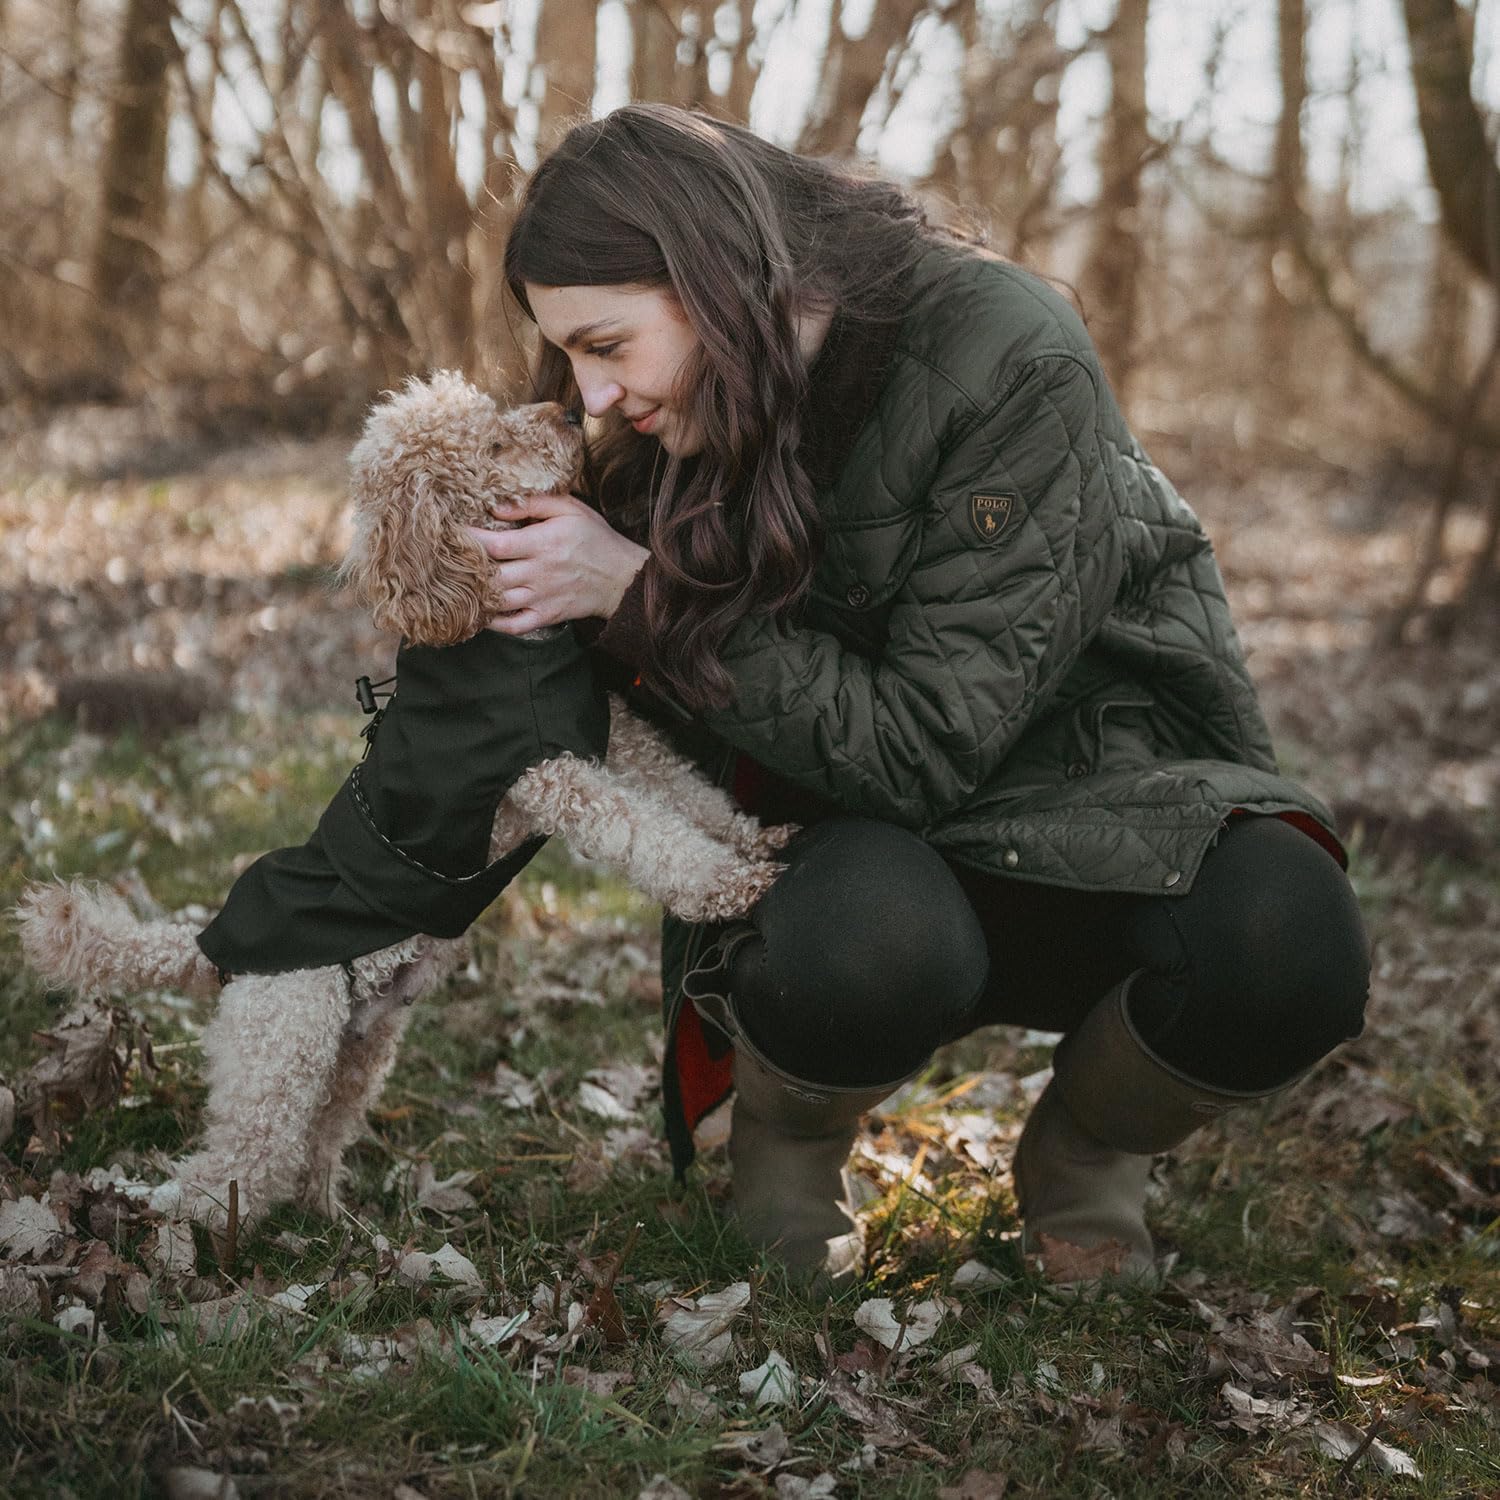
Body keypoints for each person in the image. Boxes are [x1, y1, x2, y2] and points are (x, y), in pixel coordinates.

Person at [470, 102, 1370, 1286]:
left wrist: (641, 595)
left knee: (1291, 938)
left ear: (717, 274)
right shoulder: (658, 416)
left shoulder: (1008, 350)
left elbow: (924, 746)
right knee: (873, 931)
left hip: (1095, 801)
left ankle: (1089, 1156)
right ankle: (781, 1146)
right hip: (848, 865)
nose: (591, 396)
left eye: (606, 344)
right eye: (569, 354)